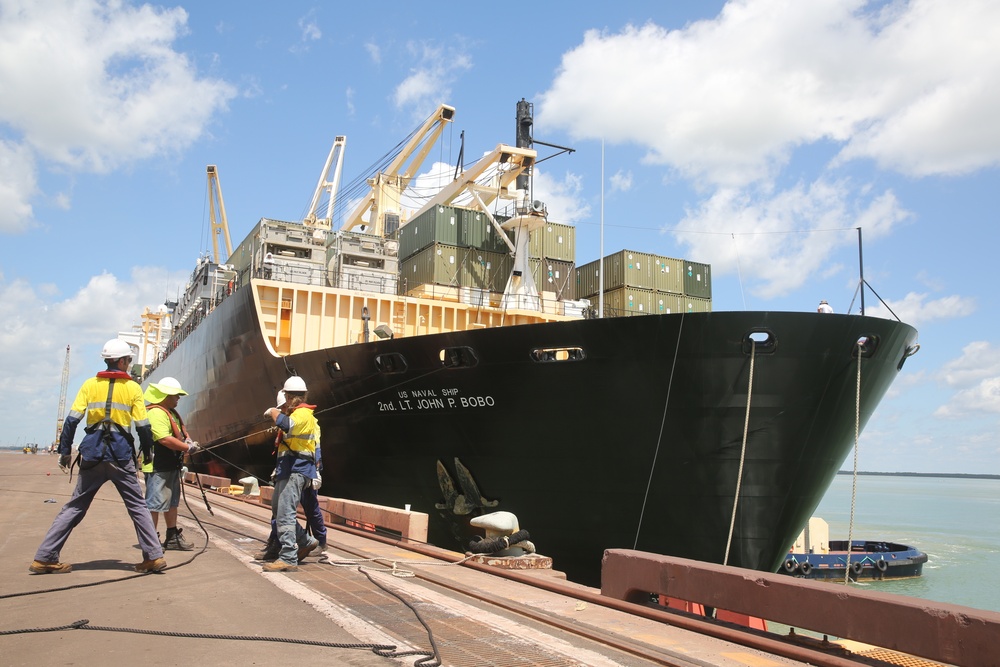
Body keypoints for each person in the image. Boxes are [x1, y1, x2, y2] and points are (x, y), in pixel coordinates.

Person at [30, 339, 166, 574]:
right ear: (122, 361)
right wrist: (147, 454)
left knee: (75, 507)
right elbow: (143, 427)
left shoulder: (90, 385)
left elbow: (72, 421)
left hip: (92, 454)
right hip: (120, 455)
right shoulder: (133, 388)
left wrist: (64, 452)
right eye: (128, 360)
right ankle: (153, 556)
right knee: (137, 506)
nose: (129, 364)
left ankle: (45, 557)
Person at [255, 390, 326, 561]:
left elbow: (313, 444)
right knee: (280, 510)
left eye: (284, 406)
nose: (283, 409)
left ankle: (317, 542)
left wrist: (316, 469)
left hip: (302, 469)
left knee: (307, 508)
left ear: (290, 399)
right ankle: (282, 542)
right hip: (288, 469)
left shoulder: (301, 417)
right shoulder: (293, 416)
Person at [143, 376, 200, 551]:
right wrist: (187, 448)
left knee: (172, 502)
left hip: (170, 465)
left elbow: (181, 434)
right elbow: (164, 439)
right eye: (176, 395)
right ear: (166, 395)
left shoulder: (172, 413)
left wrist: (189, 442)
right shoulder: (156, 413)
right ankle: (150, 541)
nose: (178, 398)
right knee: (154, 505)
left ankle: (172, 536)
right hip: (157, 467)